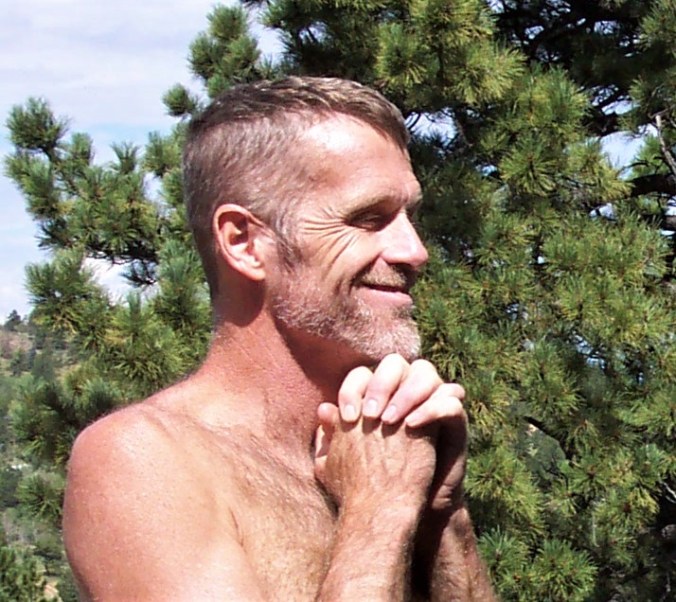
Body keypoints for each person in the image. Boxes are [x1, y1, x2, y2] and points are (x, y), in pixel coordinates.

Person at [62, 76, 496, 601]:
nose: (415, 251)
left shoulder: (393, 452)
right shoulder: (146, 460)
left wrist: (444, 517)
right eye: (367, 219)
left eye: (410, 217)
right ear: (244, 242)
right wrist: (378, 511)